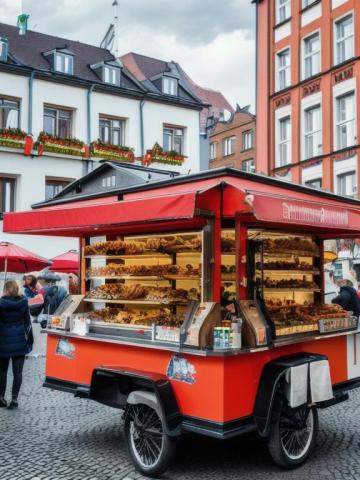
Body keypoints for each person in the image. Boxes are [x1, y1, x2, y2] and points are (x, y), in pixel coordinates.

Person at [0, 280, 33, 409]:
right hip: (19, 340)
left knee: (2, 372)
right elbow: (28, 323)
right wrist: (30, 341)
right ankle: (14, 399)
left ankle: (1, 397)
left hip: (3, 341)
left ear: (6, 289)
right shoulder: (24, 302)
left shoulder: (1, 303)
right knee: (17, 373)